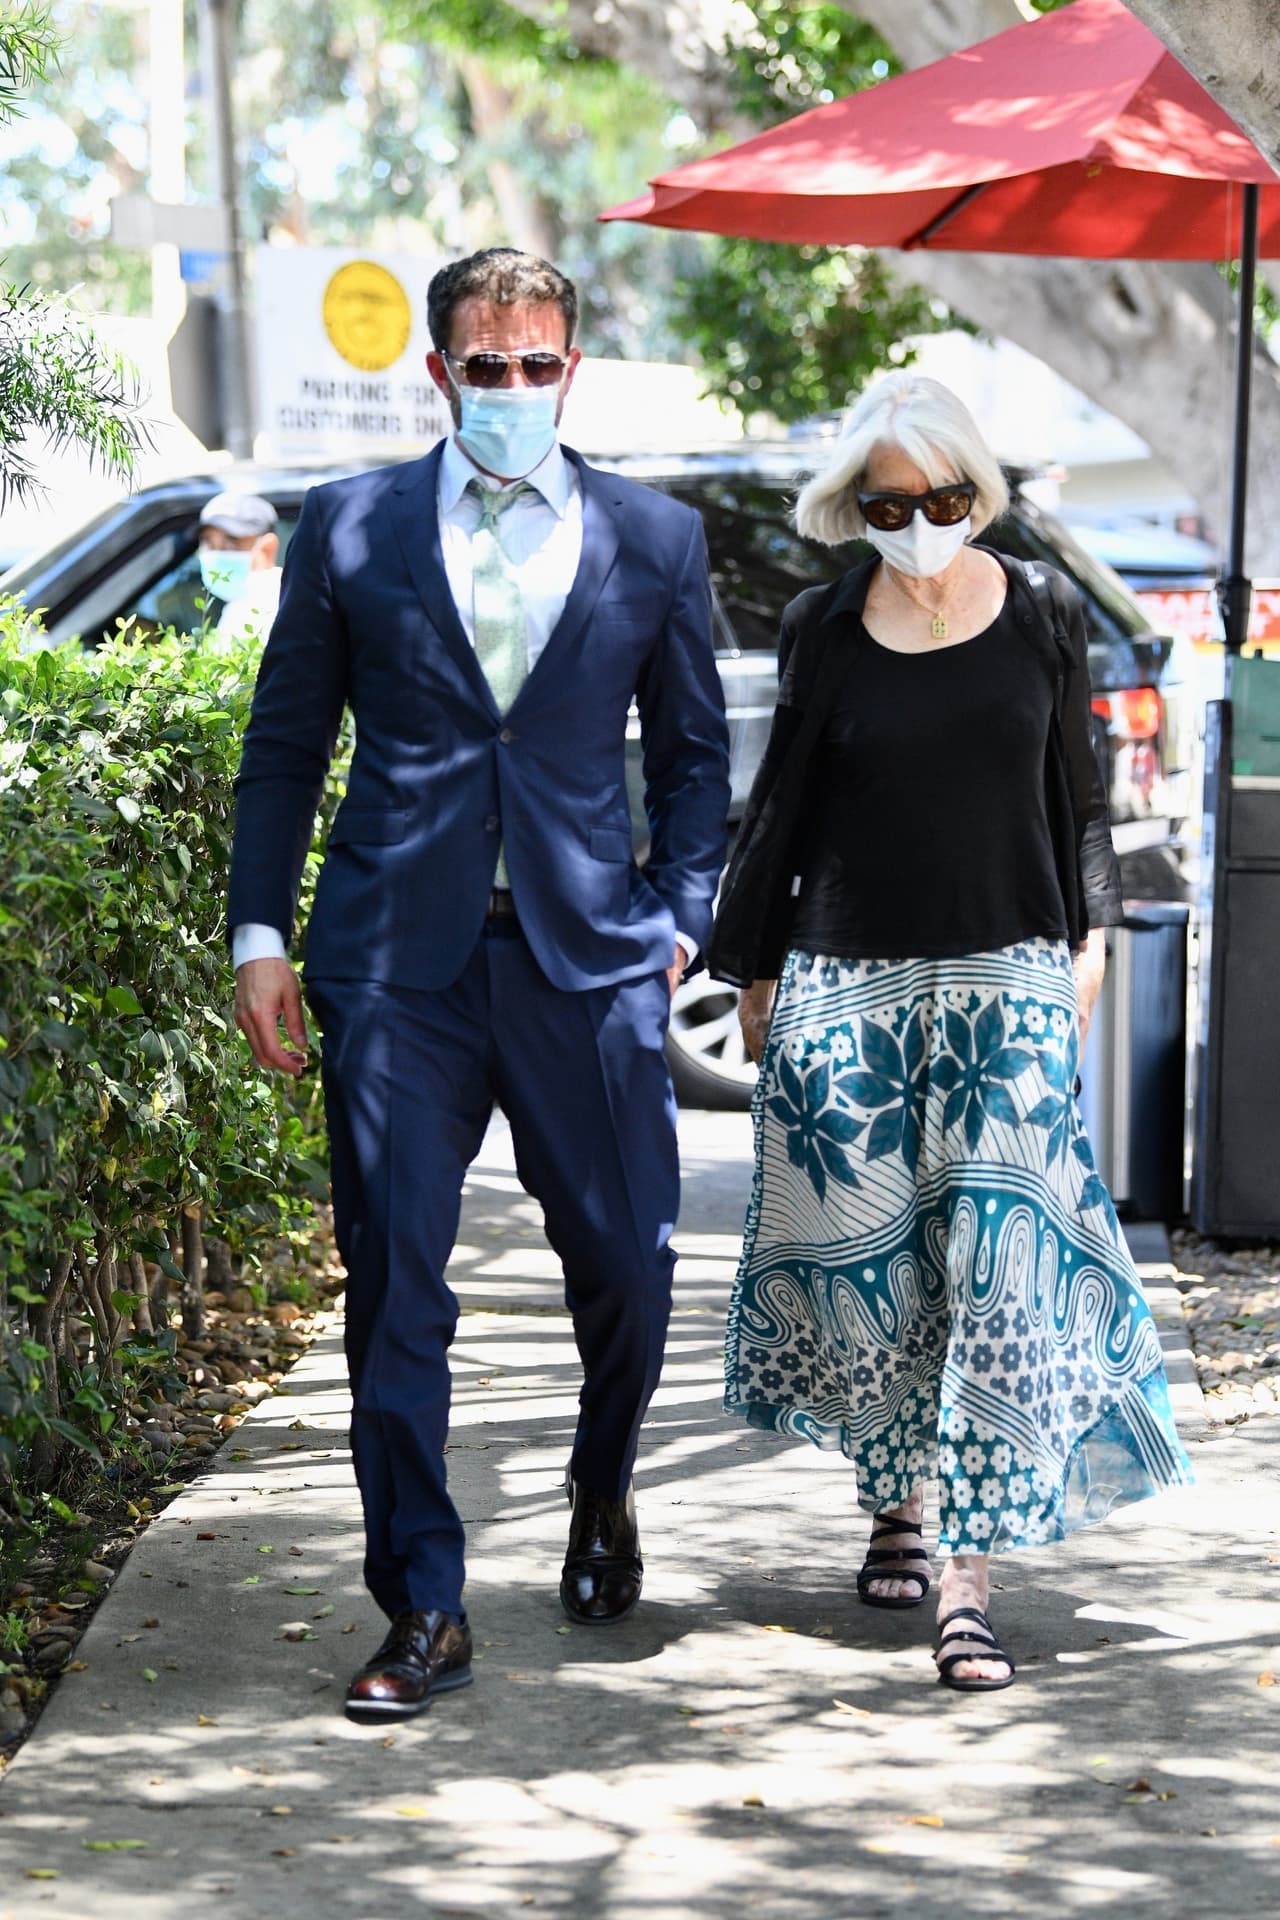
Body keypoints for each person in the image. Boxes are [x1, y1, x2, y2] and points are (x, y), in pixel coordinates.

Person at [227, 248, 730, 1723]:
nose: (512, 386)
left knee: (630, 1262)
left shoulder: (656, 536)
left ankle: (601, 1481)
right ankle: (424, 1602)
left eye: (536, 363)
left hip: (589, 964)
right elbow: (285, 747)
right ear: (440, 370)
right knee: (395, 1281)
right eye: (486, 364)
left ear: (572, 370)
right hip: (396, 963)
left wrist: (677, 917)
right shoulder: (350, 524)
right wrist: (261, 934)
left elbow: (694, 762)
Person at [707, 372, 1192, 1693]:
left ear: (981, 493)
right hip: (847, 981)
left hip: (1007, 973)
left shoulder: (1039, 610)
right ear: (851, 507)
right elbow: (782, 803)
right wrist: (753, 967)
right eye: (887, 506)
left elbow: (1079, 800)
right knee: (874, 1264)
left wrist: (1092, 937)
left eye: (942, 499)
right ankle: (896, 1504)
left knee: (998, 1266)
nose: (917, 525)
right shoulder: (820, 624)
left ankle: (968, 1580)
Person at [197, 492, 283, 643]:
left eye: (232, 542)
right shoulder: (238, 605)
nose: (217, 554)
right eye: (209, 543)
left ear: (267, 548)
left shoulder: (276, 604)